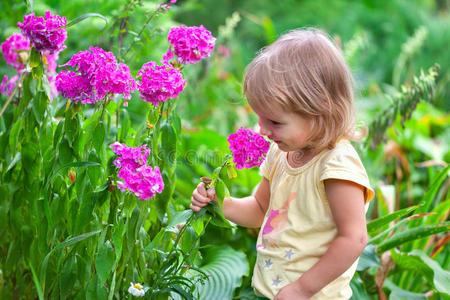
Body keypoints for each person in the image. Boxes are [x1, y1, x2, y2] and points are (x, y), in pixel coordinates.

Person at [190, 28, 374, 300]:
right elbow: (261, 209)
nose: (263, 130)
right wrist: (221, 202)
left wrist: (302, 289)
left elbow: (354, 239)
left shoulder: (337, 167)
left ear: (320, 111)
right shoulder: (280, 152)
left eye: (275, 122)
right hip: (269, 291)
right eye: (260, 118)